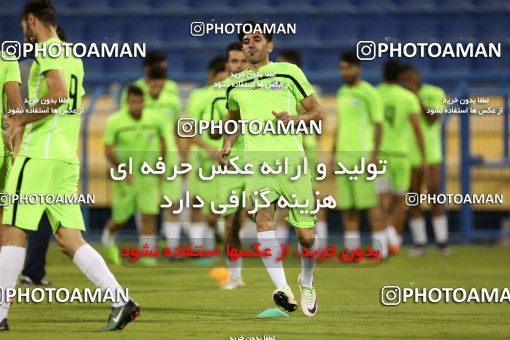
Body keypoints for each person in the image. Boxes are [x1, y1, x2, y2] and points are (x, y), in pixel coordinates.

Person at [0, 0, 139, 331]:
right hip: (65, 156)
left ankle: (0, 313)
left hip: (39, 154)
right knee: (69, 239)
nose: (24, 34)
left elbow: (58, 94)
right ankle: (121, 301)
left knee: (13, 230)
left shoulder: (46, 49)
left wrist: (21, 117)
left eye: (24, 27)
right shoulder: (73, 56)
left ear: (32, 20)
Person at [218, 21, 324, 317]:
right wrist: (227, 143)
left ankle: (306, 280)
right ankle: (282, 288)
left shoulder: (289, 72)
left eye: (257, 39)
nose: (250, 44)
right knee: (263, 220)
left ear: (270, 45)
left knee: (306, 237)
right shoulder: (234, 84)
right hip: (258, 164)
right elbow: (233, 119)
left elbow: (317, 112)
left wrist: (293, 119)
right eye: (246, 41)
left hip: (292, 164)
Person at [101, 85, 167, 266]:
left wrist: (160, 164)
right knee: (119, 219)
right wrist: (122, 170)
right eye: (132, 102)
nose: (136, 106)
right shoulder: (115, 121)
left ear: (144, 101)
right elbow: (108, 149)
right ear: (127, 102)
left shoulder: (154, 119)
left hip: (147, 176)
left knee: (149, 215)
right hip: (125, 177)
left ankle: (147, 256)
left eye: (139, 102)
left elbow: (162, 142)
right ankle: (107, 242)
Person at [332, 51, 387, 258]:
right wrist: (333, 154)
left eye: (347, 68)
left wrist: (374, 155)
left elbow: (379, 125)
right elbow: (340, 126)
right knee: (348, 207)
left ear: (358, 68)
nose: (344, 72)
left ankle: (379, 249)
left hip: (362, 158)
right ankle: (352, 250)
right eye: (342, 68)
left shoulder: (369, 93)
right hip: (343, 158)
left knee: (371, 204)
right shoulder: (342, 93)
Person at [207, 42, 248, 289]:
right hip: (231, 161)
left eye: (242, 61)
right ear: (227, 65)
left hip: (258, 159)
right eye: (234, 61)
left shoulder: (262, 87)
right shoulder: (216, 95)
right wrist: (224, 123)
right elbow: (212, 130)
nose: (238, 65)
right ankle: (235, 274)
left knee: (258, 213)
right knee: (230, 221)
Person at [375, 59, 427, 255]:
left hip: (379, 154)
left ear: (382, 74)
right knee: (400, 202)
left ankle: (381, 245)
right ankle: (392, 237)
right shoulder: (408, 97)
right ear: (399, 77)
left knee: (381, 202)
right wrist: (422, 157)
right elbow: (417, 129)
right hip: (401, 155)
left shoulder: (374, 94)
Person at [399, 64, 449, 256]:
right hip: (410, 155)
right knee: (414, 198)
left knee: (434, 194)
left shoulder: (435, 92)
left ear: (417, 76)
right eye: (404, 80)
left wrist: (417, 98)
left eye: (410, 78)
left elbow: (433, 118)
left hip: (432, 153)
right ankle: (420, 243)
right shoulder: (402, 98)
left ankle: (442, 242)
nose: (408, 83)